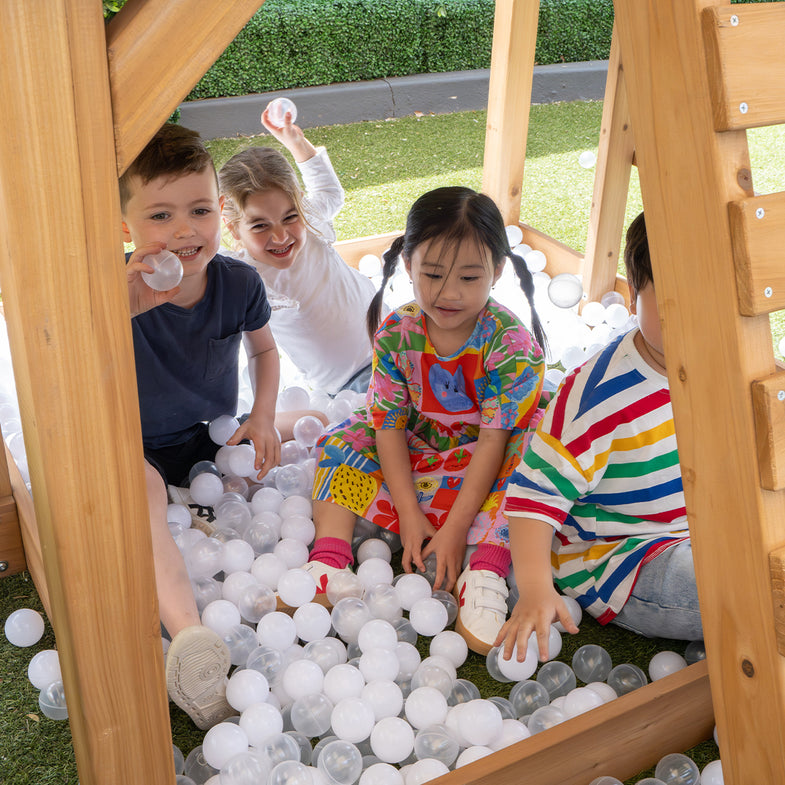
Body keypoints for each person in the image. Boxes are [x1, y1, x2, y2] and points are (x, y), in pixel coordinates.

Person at [304, 186, 549, 655]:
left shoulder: (510, 344)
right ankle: (330, 559)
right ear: (407, 264)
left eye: (469, 278)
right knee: (344, 438)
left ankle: (487, 567)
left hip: (486, 467)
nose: (448, 294)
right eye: (432, 274)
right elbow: (388, 426)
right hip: (418, 463)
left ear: (497, 272)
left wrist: (455, 531)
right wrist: (411, 516)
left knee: (537, 449)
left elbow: (495, 442)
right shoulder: (398, 331)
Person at [122, 123, 284, 729]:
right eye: (160, 216)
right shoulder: (121, 291)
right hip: (133, 445)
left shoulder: (238, 282)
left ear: (221, 211)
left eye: (198, 210)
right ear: (128, 229)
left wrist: (264, 416)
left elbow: (265, 353)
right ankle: (191, 639)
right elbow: (71, 366)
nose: (185, 230)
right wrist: (119, 306)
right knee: (142, 488)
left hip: (210, 437)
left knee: (297, 428)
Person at [497, 212, 701, 664]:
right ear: (633, 295)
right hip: (626, 557)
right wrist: (534, 589)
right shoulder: (599, 398)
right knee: (730, 586)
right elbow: (532, 498)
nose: (692, 318)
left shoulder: (721, 360)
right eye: (671, 301)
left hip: (706, 525)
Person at [219, 107, 381, 395]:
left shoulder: (311, 224)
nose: (280, 236)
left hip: (398, 338)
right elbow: (198, 256)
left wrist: (295, 142)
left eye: (289, 217)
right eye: (259, 226)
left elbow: (329, 193)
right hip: (348, 383)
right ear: (233, 229)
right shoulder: (243, 276)